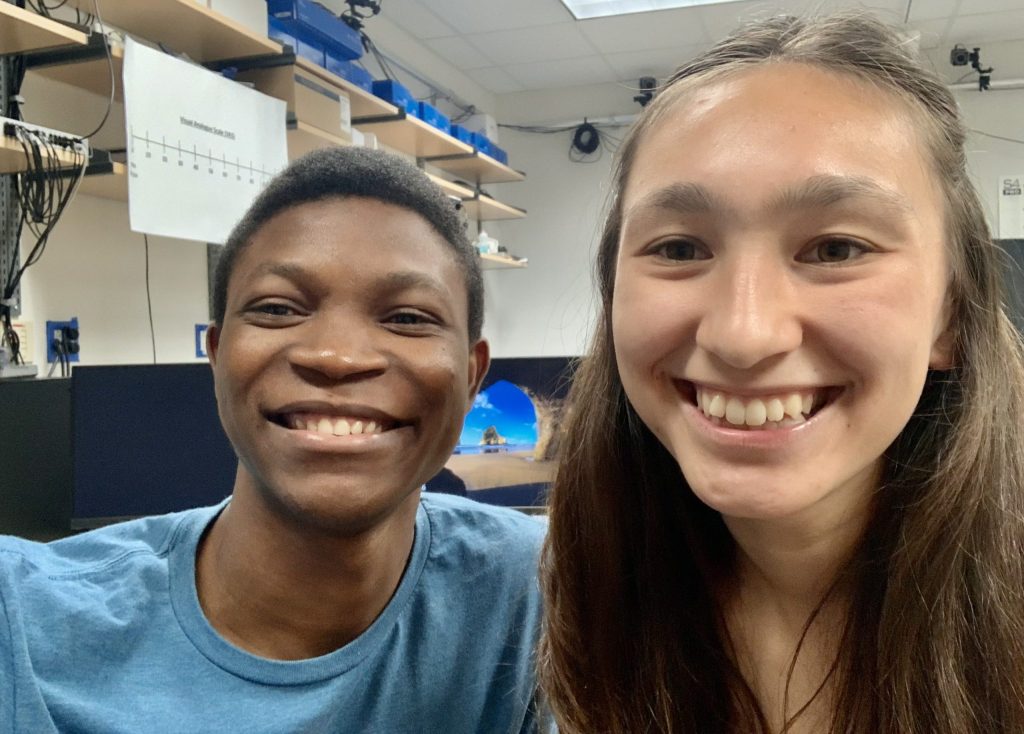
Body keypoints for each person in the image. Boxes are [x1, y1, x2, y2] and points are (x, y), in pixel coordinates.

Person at [540, 11, 1024, 734]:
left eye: (834, 249)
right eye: (677, 249)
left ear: (949, 316)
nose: (743, 334)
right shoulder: (591, 583)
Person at [0, 147, 545, 733]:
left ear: (470, 377)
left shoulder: (534, 589)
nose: (337, 357)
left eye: (408, 317)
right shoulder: (23, 620)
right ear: (216, 357)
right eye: (278, 308)